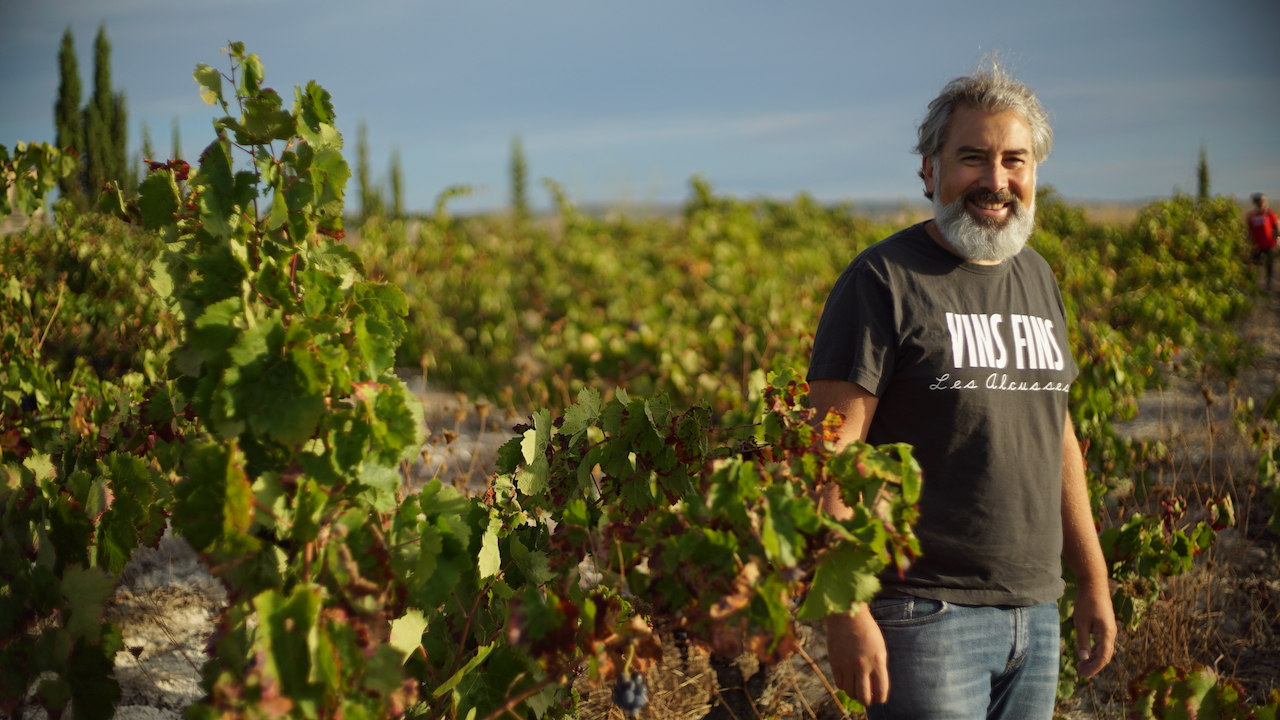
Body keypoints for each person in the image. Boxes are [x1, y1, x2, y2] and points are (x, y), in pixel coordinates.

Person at [806, 60, 1115, 720]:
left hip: (1036, 612)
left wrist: (1091, 579)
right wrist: (844, 609)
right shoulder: (883, 281)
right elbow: (825, 457)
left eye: (1015, 160)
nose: (996, 181)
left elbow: (1057, 437)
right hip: (923, 614)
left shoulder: (1038, 277)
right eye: (973, 158)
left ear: (1034, 174)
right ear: (930, 170)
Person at [1247, 193, 1278, 290]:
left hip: (1269, 243)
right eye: (1260, 201)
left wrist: (1277, 239)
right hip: (1257, 244)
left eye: (1263, 201)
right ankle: (1253, 283)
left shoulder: (1269, 213)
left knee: (1270, 265)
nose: (1262, 203)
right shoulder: (1252, 215)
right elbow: (1249, 230)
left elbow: (1276, 227)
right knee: (1254, 263)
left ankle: (1268, 284)